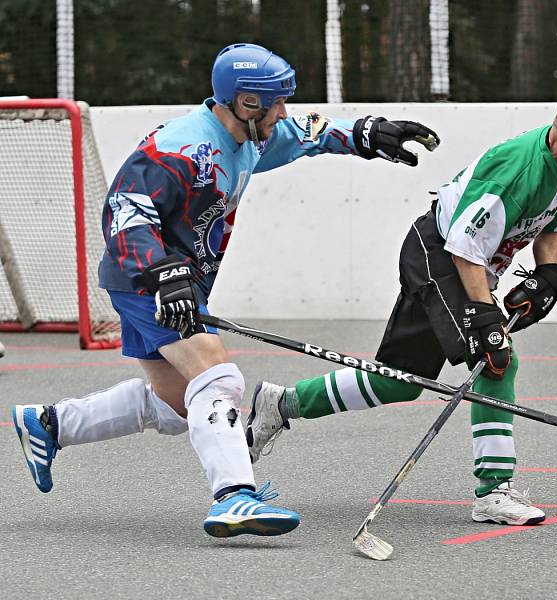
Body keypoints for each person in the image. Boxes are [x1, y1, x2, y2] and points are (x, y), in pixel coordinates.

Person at [11, 42, 439, 538]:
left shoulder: (254, 133)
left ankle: (48, 424)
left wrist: (365, 135)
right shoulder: (180, 148)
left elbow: (309, 136)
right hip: (147, 278)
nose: (284, 112)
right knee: (218, 379)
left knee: (178, 404)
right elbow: (123, 213)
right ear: (244, 101)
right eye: (275, 102)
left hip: (170, 279)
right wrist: (163, 273)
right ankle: (234, 497)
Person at [247, 84, 557, 526]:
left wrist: (549, 274)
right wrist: (484, 317)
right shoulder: (518, 167)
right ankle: (494, 490)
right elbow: (463, 245)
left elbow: (552, 222)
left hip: (458, 257)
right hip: (440, 254)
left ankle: (281, 403)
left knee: (399, 381)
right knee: (496, 357)